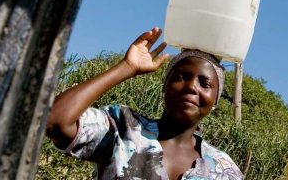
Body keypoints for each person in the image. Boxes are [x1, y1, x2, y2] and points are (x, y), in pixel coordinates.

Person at [46, 27, 244, 179]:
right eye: (181, 77)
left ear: (215, 100)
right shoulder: (123, 129)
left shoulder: (224, 170)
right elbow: (55, 120)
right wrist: (127, 67)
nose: (191, 87)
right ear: (164, 86)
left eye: (205, 83)